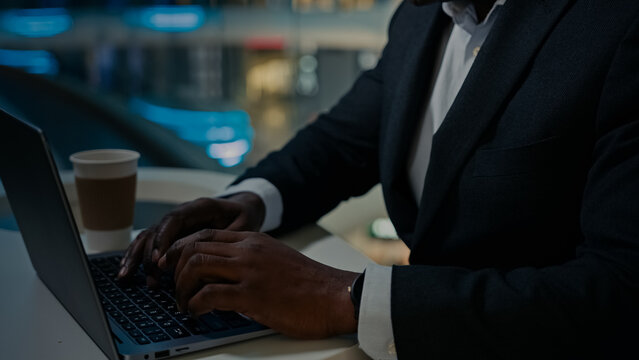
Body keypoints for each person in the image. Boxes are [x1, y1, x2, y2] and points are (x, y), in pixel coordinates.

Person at [119, 0, 639, 358]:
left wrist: (344, 295)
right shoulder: (419, 19)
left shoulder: (619, 27)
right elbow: (344, 142)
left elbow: (619, 292)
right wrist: (247, 201)